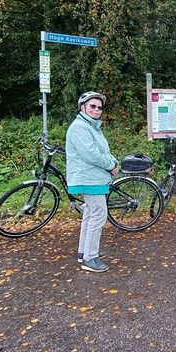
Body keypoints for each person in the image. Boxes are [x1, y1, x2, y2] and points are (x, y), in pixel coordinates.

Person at [66, 91, 119, 273]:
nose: (97, 110)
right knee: (98, 214)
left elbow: (102, 150)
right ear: (83, 108)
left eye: (99, 107)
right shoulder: (80, 127)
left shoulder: (92, 127)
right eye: (92, 106)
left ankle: (84, 252)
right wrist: (111, 165)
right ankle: (90, 258)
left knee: (90, 214)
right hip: (90, 177)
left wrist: (113, 161)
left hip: (94, 176)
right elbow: (91, 154)